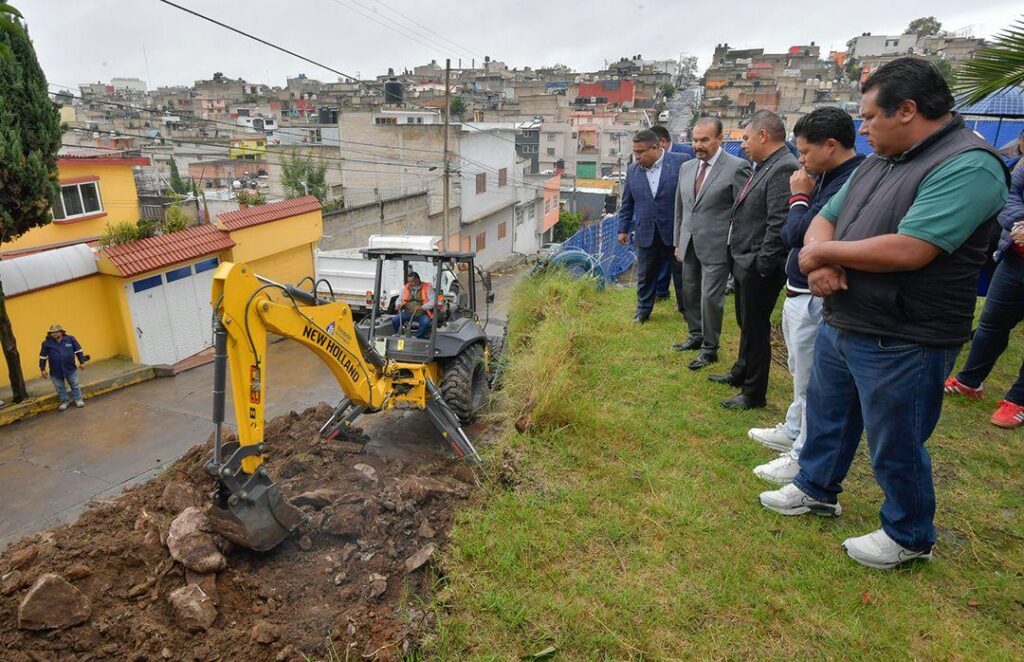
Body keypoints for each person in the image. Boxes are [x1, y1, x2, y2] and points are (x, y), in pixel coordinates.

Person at [759, 58, 1009, 569]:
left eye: (871, 117)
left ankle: (909, 533)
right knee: (828, 414)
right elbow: (825, 218)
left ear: (907, 110)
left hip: (906, 331)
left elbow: (912, 248)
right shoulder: (880, 161)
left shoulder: (968, 165)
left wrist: (822, 255)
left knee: (896, 439)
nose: (864, 129)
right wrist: (819, 259)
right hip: (848, 315)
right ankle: (816, 487)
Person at [748, 107, 864, 482]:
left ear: (830, 145)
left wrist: (799, 197)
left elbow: (794, 232)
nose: (801, 160)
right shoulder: (823, 176)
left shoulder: (850, 180)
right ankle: (795, 429)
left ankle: (802, 455)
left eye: (805, 151)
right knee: (800, 372)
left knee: (816, 381)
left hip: (819, 297)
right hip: (799, 288)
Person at [709, 111, 799, 408]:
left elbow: (778, 223)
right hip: (745, 259)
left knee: (757, 329)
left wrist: (762, 265)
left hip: (759, 266)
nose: (743, 144)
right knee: (746, 323)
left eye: (746, 138)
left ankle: (753, 392)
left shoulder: (783, 167)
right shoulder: (766, 165)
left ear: (763, 135)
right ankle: (741, 371)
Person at [943, 155, 1024, 428]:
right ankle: (969, 381)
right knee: (991, 324)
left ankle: (1019, 400)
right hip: (1015, 259)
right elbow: (1009, 193)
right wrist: (1019, 223)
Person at [672, 117, 751, 370]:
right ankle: (695, 335)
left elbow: (745, 212)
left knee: (710, 297)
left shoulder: (737, 167)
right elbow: (681, 209)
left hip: (718, 246)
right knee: (690, 291)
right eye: (695, 140)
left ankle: (710, 349)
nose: (698, 145)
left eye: (704, 140)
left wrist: (737, 245)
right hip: (689, 242)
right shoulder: (686, 168)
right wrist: (677, 241)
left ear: (719, 138)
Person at [615, 129, 687, 323]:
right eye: (635, 152)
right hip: (646, 231)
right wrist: (623, 229)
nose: (637, 157)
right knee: (645, 275)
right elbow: (627, 202)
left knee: (682, 274)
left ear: (656, 147)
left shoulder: (681, 162)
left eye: (641, 152)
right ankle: (643, 311)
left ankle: (687, 311)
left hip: (675, 231)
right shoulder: (632, 170)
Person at [651, 124, 693, 311]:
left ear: (662, 142)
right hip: (660, 219)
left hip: (681, 217)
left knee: (679, 263)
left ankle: (685, 303)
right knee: (660, 260)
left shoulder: (685, 154)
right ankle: (661, 291)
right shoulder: (652, 161)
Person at [39, 323, 87, 411]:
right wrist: (42, 369)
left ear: (61, 332)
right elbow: (43, 357)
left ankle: (78, 399)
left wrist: (82, 362)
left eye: (57, 332)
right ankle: (65, 402)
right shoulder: (46, 343)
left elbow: (78, 351)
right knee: (60, 388)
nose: (54, 334)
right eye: (52, 332)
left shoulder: (70, 339)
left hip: (70, 368)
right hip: (55, 371)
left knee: (75, 384)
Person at [391, 272, 435, 339]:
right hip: (408, 313)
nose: (410, 283)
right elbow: (400, 298)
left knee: (426, 322)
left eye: (412, 281)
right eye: (409, 281)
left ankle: (417, 337)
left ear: (417, 280)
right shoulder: (407, 287)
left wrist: (422, 307)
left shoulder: (427, 287)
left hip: (422, 313)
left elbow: (433, 301)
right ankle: (399, 334)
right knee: (395, 319)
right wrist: (398, 304)